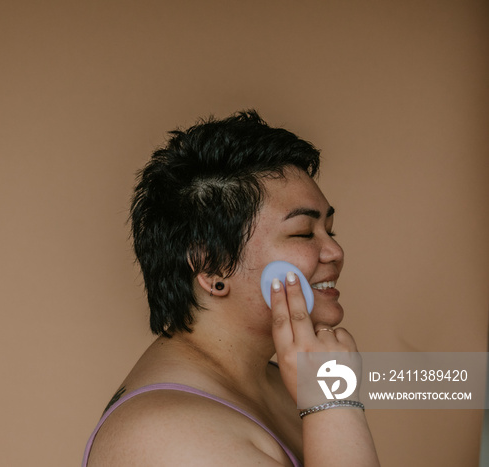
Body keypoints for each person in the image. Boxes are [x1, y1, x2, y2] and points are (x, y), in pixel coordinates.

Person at [83, 110, 379, 466]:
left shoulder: (291, 377)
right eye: (303, 233)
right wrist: (334, 405)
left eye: (329, 231)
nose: (335, 252)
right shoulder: (171, 438)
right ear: (212, 267)